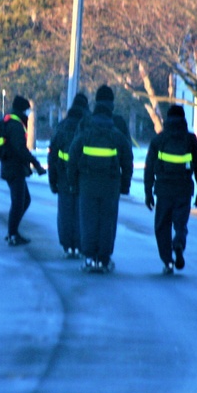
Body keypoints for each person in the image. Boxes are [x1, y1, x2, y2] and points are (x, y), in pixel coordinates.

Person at [67, 85, 134, 273]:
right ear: (112, 103)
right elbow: (127, 158)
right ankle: (103, 260)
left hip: (87, 184)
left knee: (88, 221)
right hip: (111, 185)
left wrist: (73, 182)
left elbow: (73, 155)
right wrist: (125, 184)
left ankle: (89, 258)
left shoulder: (85, 125)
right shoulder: (118, 125)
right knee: (107, 222)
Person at [143, 104, 197, 275]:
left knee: (162, 225)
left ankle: (167, 261)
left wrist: (148, 192)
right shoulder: (191, 139)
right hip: (184, 189)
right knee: (180, 223)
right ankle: (178, 242)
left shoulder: (159, 139)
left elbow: (149, 167)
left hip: (163, 189)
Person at [0, 95, 46, 246]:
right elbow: (20, 149)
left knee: (24, 200)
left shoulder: (11, 121)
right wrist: (35, 163)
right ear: (21, 109)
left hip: (12, 167)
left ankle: (13, 232)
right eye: (26, 110)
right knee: (19, 202)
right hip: (14, 168)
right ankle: (12, 234)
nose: (28, 113)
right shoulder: (15, 125)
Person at [48, 92, 88, 258]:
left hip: (63, 175)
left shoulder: (62, 126)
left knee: (65, 212)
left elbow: (52, 154)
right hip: (82, 176)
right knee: (81, 212)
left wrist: (53, 180)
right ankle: (79, 245)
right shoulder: (87, 125)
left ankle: (67, 246)